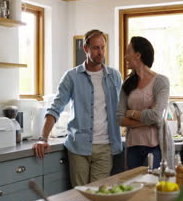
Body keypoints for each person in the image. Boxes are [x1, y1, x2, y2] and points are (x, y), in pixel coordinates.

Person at [33, 29, 123, 186]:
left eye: (102, 47)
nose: (100, 52)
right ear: (86, 49)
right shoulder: (71, 76)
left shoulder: (114, 76)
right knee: (79, 196)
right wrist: (43, 138)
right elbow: (56, 108)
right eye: (95, 48)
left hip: (105, 147)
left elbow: (122, 107)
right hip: (78, 147)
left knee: (98, 196)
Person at [116, 36, 174, 170]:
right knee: (134, 187)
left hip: (155, 147)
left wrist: (131, 113)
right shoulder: (127, 83)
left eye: (128, 52)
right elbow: (119, 118)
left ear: (138, 55)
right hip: (133, 147)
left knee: (152, 186)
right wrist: (148, 118)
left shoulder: (160, 81)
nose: (125, 57)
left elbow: (157, 116)